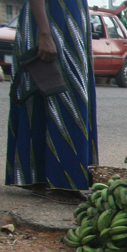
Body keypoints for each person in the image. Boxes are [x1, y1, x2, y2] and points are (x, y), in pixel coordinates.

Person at [6, 0, 98, 199]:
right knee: (59, 94)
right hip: (51, 22)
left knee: (50, 93)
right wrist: (45, 33)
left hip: (67, 22)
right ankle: (60, 183)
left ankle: (41, 179)